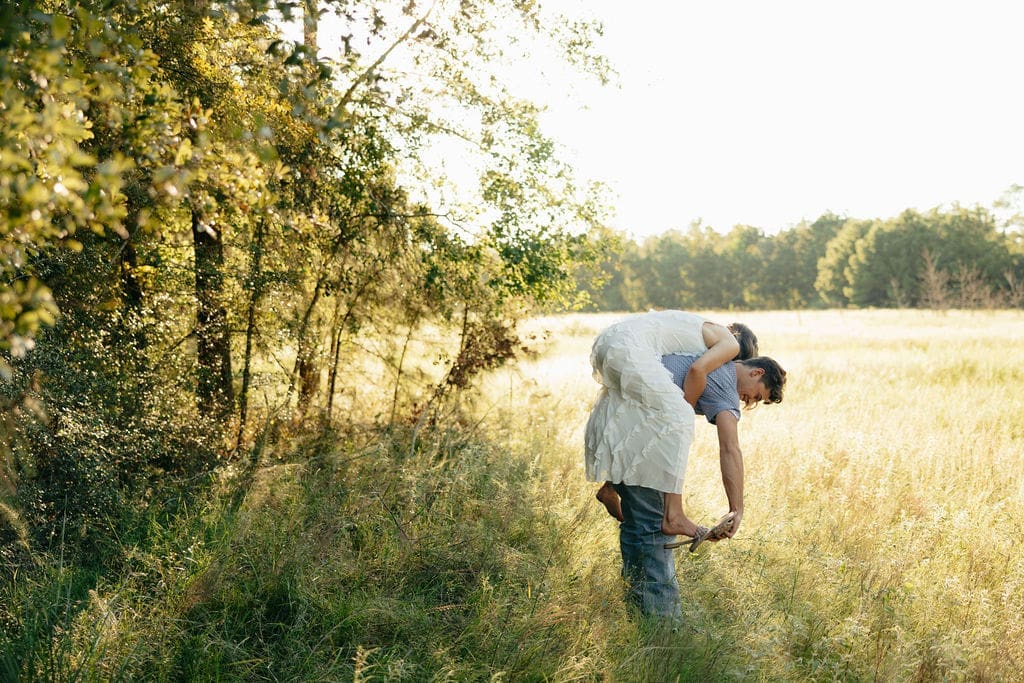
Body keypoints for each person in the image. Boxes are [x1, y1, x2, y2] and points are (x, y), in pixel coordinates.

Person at [603, 353, 786, 619]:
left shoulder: (711, 361)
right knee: (653, 527)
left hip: (621, 426)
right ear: (757, 373)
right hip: (639, 442)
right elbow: (730, 448)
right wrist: (737, 509)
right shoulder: (725, 386)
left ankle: (637, 613)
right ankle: (661, 627)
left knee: (638, 526)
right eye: (757, 396)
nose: (749, 403)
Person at [586, 310, 759, 535]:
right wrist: (684, 411)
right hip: (625, 346)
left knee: (652, 415)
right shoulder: (729, 346)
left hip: (610, 341)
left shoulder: (699, 336)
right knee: (679, 416)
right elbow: (698, 370)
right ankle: (674, 515)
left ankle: (611, 486)